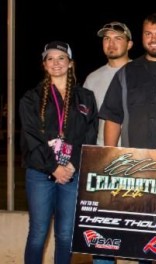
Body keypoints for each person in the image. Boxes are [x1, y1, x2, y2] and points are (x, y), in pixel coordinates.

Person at [19, 41, 98, 264]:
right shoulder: (30, 98)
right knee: (37, 234)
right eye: (50, 58)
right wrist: (54, 167)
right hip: (40, 174)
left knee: (65, 236)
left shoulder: (86, 97)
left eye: (61, 58)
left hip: (71, 175)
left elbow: (89, 136)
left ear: (70, 63)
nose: (56, 63)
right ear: (44, 65)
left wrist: (72, 165)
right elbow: (31, 138)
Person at [99, 13, 156, 149]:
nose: (153, 39)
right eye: (148, 34)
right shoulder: (125, 73)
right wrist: (109, 156)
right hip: (133, 162)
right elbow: (113, 118)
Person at [84, 21, 133, 146]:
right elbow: (83, 121)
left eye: (118, 38)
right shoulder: (92, 79)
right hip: (101, 150)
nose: (111, 43)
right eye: (107, 38)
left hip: (136, 150)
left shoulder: (141, 73)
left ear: (129, 44)